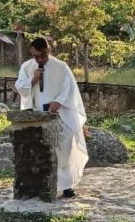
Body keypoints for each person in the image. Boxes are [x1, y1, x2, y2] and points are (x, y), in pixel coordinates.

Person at [14, 37, 89, 198]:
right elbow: (20, 87)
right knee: (41, 151)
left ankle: (67, 186)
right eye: (36, 56)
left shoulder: (61, 67)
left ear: (48, 50)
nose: (40, 59)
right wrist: (33, 79)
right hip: (38, 115)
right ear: (31, 52)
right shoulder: (27, 67)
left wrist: (59, 101)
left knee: (64, 149)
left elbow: (69, 88)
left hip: (60, 114)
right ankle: (43, 185)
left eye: (43, 55)